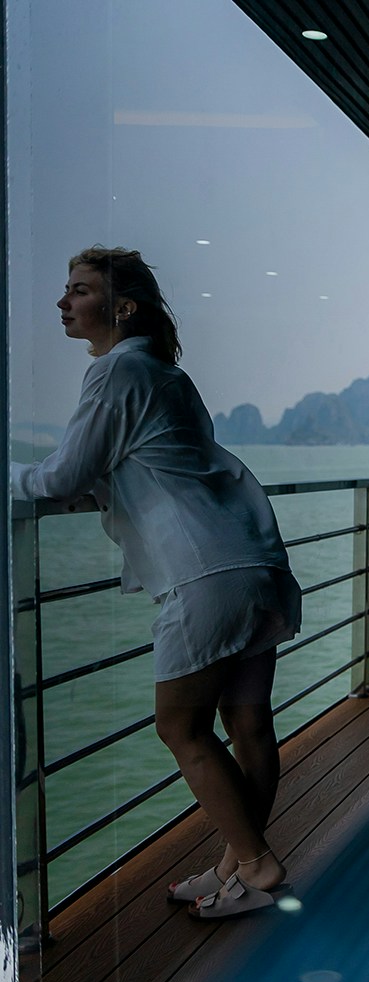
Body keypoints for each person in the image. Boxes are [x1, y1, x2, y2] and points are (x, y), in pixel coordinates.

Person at [10, 247, 302, 919]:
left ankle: (256, 866)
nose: (63, 302)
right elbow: (145, 465)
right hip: (254, 562)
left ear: (122, 308)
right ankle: (235, 867)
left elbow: (61, 477)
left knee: (180, 728)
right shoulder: (167, 374)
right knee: (248, 725)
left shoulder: (116, 371)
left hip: (205, 577)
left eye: (79, 290)